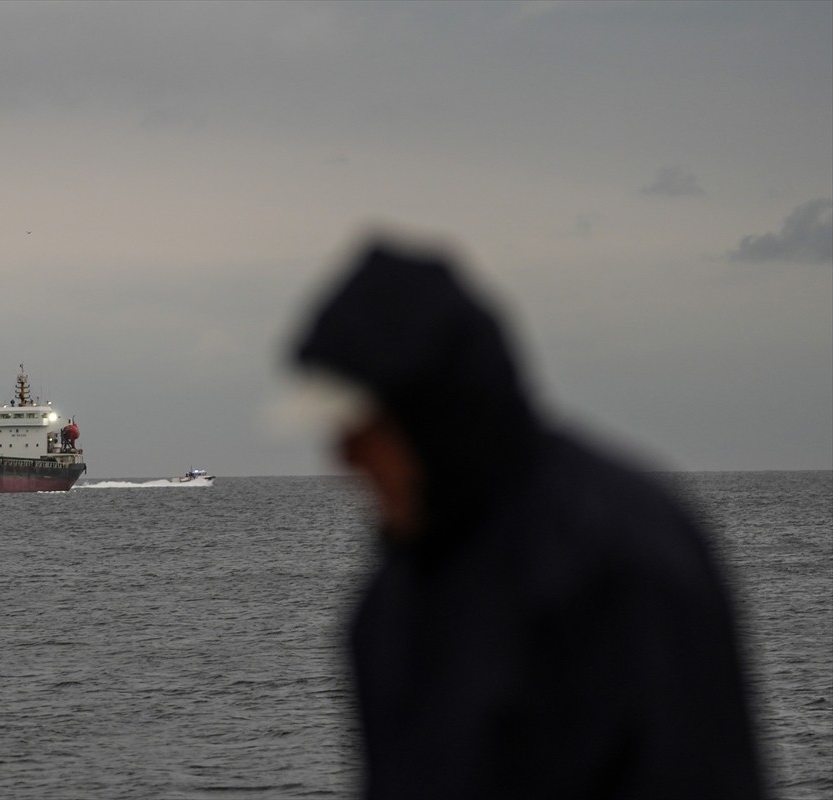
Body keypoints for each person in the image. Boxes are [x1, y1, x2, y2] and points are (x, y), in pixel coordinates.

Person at [289, 238, 765, 799]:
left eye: (362, 430)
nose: (343, 456)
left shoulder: (625, 556)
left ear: (430, 416)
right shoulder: (392, 599)